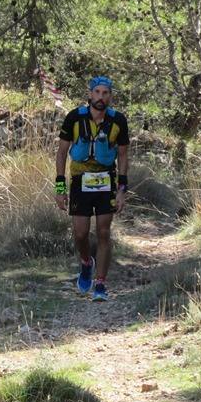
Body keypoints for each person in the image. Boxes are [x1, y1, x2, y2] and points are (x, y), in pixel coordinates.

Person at [54, 75, 129, 302]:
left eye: (105, 93)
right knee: (80, 233)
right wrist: (60, 187)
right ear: (90, 94)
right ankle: (87, 262)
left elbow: (124, 155)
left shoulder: (118, 121)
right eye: (97, 92)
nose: (101, 97)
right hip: (80, 180)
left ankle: (100, 284)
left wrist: (122, 189)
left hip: (106, 180)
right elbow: (61, 153)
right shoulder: (75, 118)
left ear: (110, 97)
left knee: (104, 231)